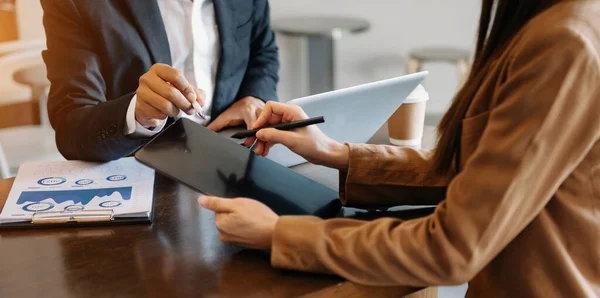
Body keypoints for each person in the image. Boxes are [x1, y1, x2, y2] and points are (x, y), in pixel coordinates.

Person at [198, 0, 600, 296]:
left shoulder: (562, 43)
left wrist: (279, 234)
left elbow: (452, 246)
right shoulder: (552, 25)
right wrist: (337, 153)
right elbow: (478, 172)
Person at [41, 0, 279, 161]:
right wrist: (136, 114)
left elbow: (262, 51)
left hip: (232, 159)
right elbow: (71, 124)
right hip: (140, 171)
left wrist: (253, 96)